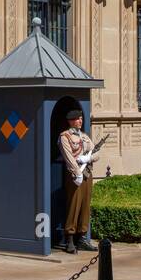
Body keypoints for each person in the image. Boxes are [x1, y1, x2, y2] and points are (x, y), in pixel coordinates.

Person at [58, 109, 97, 254]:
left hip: (87, 173)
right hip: (75, 176)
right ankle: (70, 239)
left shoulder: (85, 136)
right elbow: (68, 157)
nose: (80, 121)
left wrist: (88, 158)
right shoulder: (65, 136)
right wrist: (77, 172)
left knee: (85, 206)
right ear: (70, 120)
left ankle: (82, 238)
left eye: (81, 118)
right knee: (74, 205)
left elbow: (96, 153)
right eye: (77, 119)